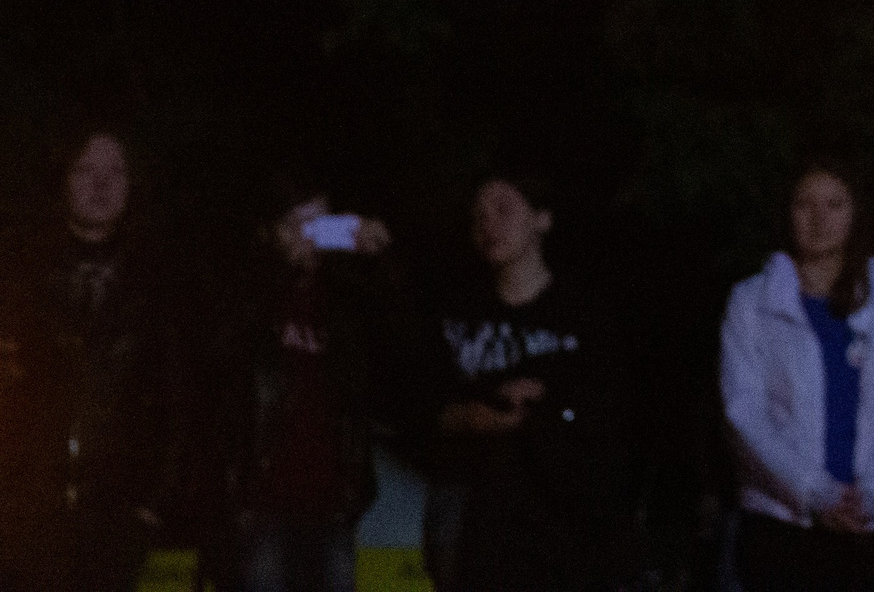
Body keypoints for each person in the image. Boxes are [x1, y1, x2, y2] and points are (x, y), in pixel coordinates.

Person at [721, 159, 874, 592]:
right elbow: (745, 413)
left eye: (835, 205)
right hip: (782, 527)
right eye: (805, 204)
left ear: (855, 214)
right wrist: (815, 493)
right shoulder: (751, 302)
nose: (819, 219)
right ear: (787, 213)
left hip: (872, 530)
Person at [426, 174, 632, 592]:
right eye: (478, 216)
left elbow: (612, 416)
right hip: (476, 533)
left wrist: (549, 403)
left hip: (561, 531)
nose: (489, 224)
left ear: (542, 219)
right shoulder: (457, 313)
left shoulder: (584, 314)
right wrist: (469, 415)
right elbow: (423, 406)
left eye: (503, 209)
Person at [0, 127, 185, 592]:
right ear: (63, 177)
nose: (101, 184)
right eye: (86, 169)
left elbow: (175, 400)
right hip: (25, 514)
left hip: (115, 516)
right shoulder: (19, 272)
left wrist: (150, 504)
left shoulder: (159, 282)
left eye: (115, 172)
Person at [216, 175, 406, 592]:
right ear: (270, 231)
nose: (309, 236)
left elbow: (398, 343)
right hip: (261, 501)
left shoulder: (346, 300)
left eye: (320, 223)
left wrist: (379, 257)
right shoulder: (250, 293)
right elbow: (225, 345)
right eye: (295, 224)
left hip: (331, 503)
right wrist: (281, 265)